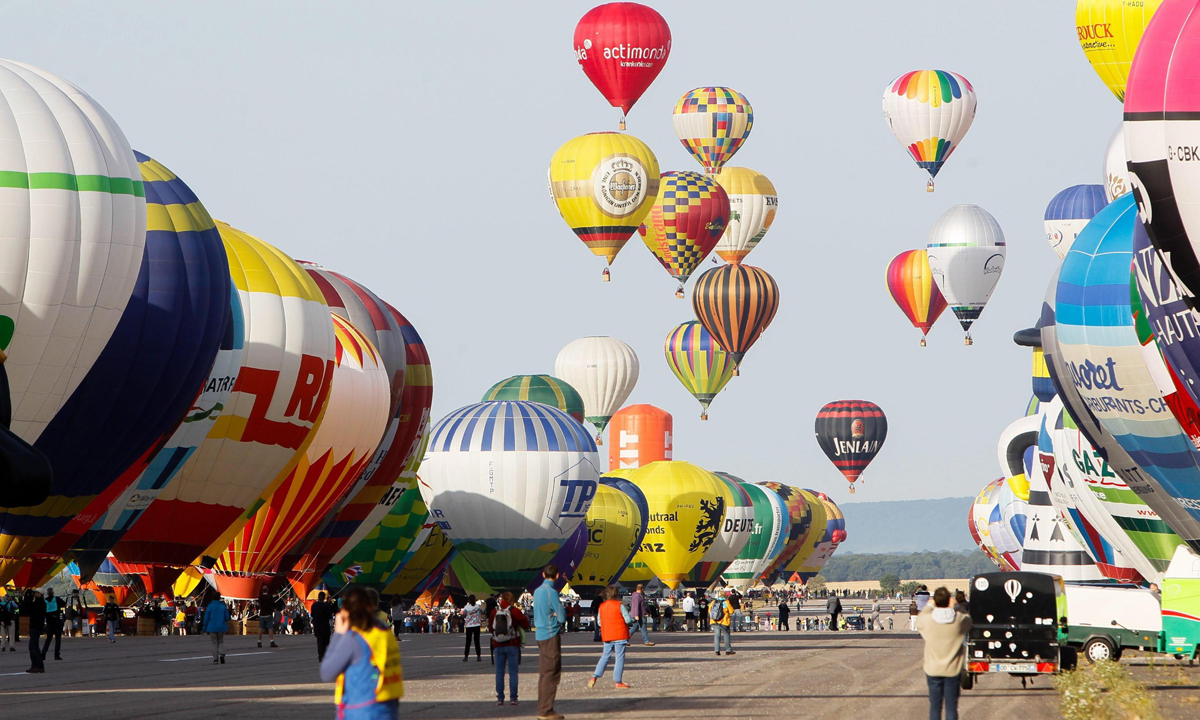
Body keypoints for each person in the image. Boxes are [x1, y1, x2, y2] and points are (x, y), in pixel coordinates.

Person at [319, 586, 403, 720]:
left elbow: (326, 672)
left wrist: (338, 635)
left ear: (346, 611)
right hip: (386, 707)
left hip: (360, 709)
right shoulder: (385, 633)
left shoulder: (354, 639)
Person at [916, 587, 972, 720]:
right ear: (949, 600)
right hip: (952, 670)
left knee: (935, 706)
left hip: (933, 669)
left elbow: (920, 617)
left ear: (935, 600)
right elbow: (968, 618)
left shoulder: (928, 620)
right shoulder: (958, 620)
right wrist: (957, 606)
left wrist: (930, 605)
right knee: (951, 707)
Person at [533, 564, 566, 720]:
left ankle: (543, 708)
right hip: (551, 634)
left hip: (539, 634)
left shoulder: (537, 592)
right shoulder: (551, 592)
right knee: (551, 673)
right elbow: (562, 616)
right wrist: (555, 615)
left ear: (543, 574)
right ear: (557, 576)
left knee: (544, 673)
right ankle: (546, 710)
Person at [489, 591, 530, 707]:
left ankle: (500, 698)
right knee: (513, 672)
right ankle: (513, 698)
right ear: (512, 601)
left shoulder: (494, 612)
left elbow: (490, 627)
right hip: (512, 644)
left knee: (499, 672)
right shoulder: (514, 611)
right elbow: (526, 624)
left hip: (498, 645)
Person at [588, 585, 632, 689]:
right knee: (619, 657)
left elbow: (599, 622)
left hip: (607, 634)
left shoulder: (602, 606)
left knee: (605, 656)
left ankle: (594, 676)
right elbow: (628, 620)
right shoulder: (619, 605)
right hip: (620, 635)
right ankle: (618, 681)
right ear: (617, 594)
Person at [202, 593, 231, 665]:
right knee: (220, 641)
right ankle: (222, 654)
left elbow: (206, 618)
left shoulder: (210, 606)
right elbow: (227, 617)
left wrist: (204, 627)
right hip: (221, 626)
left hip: (212, 627)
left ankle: (215, 659)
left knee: (214, 643)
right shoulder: (223, 606)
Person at [21, 589, 45, 673]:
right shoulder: (38, 603)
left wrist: (28, 599)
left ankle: (39, 665)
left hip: (36, 627)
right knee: (32, 647)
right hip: (34, 626)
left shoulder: (40, 603)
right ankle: (34, 665)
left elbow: (29, 609)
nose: (35, 594)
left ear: (41, 594)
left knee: (34, 647)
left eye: (37, 593)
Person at [40, 587, 63, 661]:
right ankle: (56, 655)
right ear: (53, 592)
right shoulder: (57, 599)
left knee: (48, 639)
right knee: (58, 639)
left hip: (49, 622)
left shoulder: (45, 601)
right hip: (57, 622)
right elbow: (64, 604)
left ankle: (43, 654)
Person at [312, 591, 335, 662]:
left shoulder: (314, 605)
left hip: (317, 625)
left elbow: (312, 615)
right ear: (324, 597)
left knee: (319, 641)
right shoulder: (325, 606)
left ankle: (321, 656)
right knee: (326, 641)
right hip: (324, 625)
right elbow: (329, 615)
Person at [461, 594, 484, 662]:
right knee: (477, 641)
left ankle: (466, 656)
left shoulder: (466, 607)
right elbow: (483, 611)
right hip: (476, 624)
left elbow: (463, 614)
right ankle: (478, 656)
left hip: (469, 625)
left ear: (469, 600)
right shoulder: (478, 606)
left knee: (468, 641)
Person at [710, 591, 734, 656]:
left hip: (714, 621)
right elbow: (731, 611)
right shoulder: (726, 602)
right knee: (726, 635)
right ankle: (728, 650)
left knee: (717, 636)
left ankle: (717, 650)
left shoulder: (713, 602)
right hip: (724, 621)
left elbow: (709, 611)